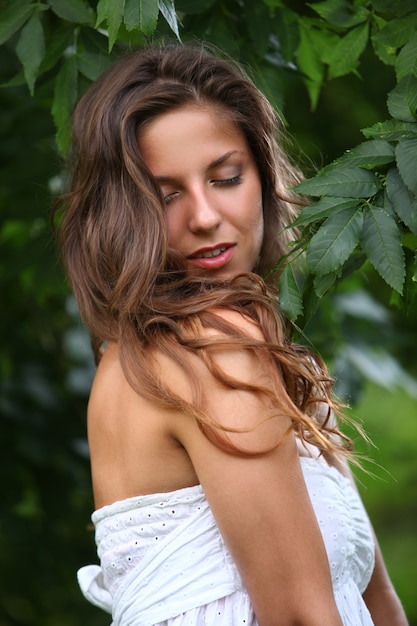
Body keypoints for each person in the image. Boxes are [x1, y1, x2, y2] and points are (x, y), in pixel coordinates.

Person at [56, 43, 408, 626]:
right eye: (165, 195)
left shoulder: (155, 358)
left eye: (225, 178)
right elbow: (299, 616)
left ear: (263, 177)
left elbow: (377, 601)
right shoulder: (212, 349)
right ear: (122, 214)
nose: (203, 216)